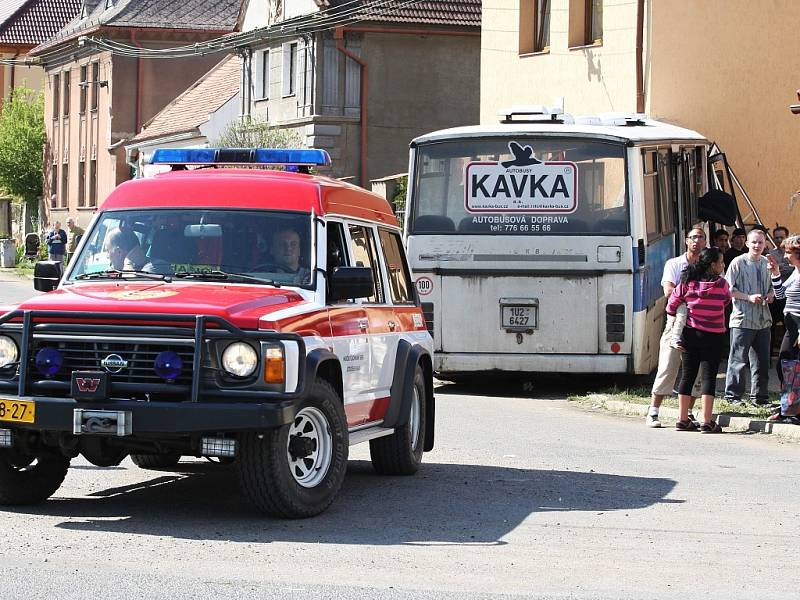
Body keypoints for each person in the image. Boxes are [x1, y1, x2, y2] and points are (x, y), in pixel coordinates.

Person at [645, 227, 706, 428]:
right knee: (667, 366)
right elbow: (669, 290)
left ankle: (688, 413)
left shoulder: (708, 265)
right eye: (694, 237)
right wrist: (693, 298)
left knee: (694, 371)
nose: (697, 241)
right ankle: (653, 411)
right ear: (686, 241)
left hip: (699, 322)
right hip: (676, 322)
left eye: (701, 237)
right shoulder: (674, 264)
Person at [668, 247, 731, 432]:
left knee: (687, 376)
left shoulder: (687, 283)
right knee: (708, 378)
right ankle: (706, 421)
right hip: (714, 336)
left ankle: (682, 419)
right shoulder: (722, 285)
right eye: (721, 262)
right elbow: (726, 301)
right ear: (713, 265)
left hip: (690, 335)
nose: (723, 265)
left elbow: (671, 306)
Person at [724, 229, 773, 405]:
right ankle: (733, 396)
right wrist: (748, 297)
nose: (757, 245)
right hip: (742, 319)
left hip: (763, 320)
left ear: (765, 243)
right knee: (738, 360)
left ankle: (760, 397)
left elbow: (774, 286)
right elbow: (727, 290)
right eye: (754, 242)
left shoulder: (767, 262)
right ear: (747, 244)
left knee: (762, 362)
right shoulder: (738, 262)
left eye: (760, 242)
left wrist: (770, 295)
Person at [768, 235, 800, 423]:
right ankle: (787, 407)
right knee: (785, 366)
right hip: (791, 325)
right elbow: (780, 295)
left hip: (798, 326)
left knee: (792, 367)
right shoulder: (795, 272)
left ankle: (793, 410)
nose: (785, 256)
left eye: (788, 252)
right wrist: (775, 273)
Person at [768, 226, 792, 352]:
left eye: (781, 237)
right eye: (776, 237)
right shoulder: (771, 254)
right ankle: (770, 355)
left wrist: (779, 268)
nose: (778, 240)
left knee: (788, 326)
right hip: (775, 295)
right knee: (770, 326)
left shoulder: (792, 253)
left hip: (790, 296)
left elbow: (792, 269)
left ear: (786, 237)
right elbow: (770, 272)